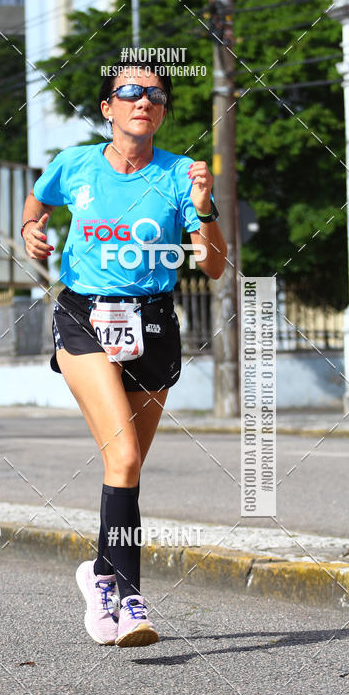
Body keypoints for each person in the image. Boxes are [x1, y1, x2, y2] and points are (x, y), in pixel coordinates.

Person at [21, 62, 227, 648]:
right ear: (107, 107)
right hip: (84, 316)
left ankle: (101, 574)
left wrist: (205, 205)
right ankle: (132, 601)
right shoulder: (76, 164)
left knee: (124, 470)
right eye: (130, 92)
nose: (144, 100)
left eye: (156, 94)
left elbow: (212, 265)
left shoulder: (180, 175)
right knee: (127, 457)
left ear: (162, 112)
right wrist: (31, 230)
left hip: (154, 324)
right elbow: (35, 207)